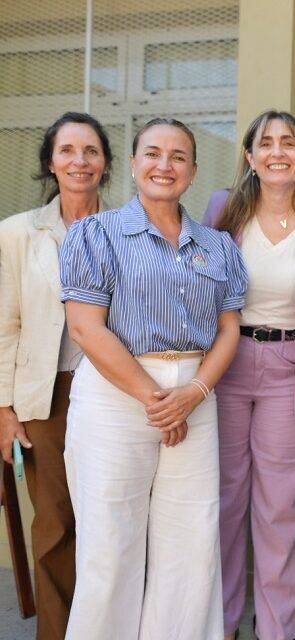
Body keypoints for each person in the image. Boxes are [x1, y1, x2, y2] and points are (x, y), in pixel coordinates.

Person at [59, 118, 247, 640]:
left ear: (192, 170)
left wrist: (192, 393)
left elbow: (229, 329)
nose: (165, 165)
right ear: (135, 162)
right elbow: (85, 327)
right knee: (111, 546)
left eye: (178, 156)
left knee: (191, 545)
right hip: (117, 395)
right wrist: (157, 400)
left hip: (196, 392)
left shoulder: (219, 245)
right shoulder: (94, 233)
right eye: (153, 153)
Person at [202, 109, 295, 640]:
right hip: (226, 363)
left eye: (288, 142)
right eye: (265, 143)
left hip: (294, 370)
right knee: (223, 501)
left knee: (280, 510)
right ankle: (219, 625)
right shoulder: (222, 209)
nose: (277, 152)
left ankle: (277, 630)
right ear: (249, 157)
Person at [0, 112, 112, 640]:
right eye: (67, 150)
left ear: (107, 163)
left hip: (114, 395)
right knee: (53, 525)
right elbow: (5, 325)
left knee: (107, 524)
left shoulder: (125, 230)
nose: (79, 161)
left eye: (91, 151)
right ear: (51, 161)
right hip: (44, 397)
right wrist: (3, 410)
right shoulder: (18, 233)